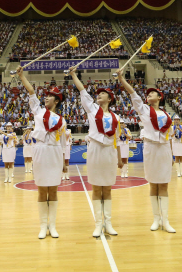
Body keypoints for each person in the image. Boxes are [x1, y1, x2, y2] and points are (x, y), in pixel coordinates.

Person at [117, 70, 175, 233]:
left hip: (163, 148)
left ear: (159, 97)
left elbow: (169, 135)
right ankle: (156, 218)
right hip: (150, 147)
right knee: (153, 183)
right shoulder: (143, 110)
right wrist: (122, 79)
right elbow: (133, 93)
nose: (148, 96)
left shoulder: (166, 115)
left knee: (164, 183)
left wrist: (171, 154)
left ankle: (166, 220)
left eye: (152, 94)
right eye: (147, 95)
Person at [69, 67, 123, 237]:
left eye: (103, 94)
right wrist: (73, 74)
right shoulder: (92, 109)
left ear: (110, 98)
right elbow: (82, 90)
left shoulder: (116, 117)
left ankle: (108, 223)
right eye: (98, 94)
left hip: (109, 152)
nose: (98, 95)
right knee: (96, 189)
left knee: (107, 189)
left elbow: (117, 139)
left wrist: (120, 158)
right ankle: (98, 224)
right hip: (94, 150)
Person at [16, 66, 67, 239]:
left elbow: (62, 142)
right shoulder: (38, 111)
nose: (47, 98)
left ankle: (52, 226)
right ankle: (42, 226)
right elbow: (31, 92)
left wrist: (64, 162)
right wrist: (22, 76)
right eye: (46, 95)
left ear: (57, 101)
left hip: (54, 152)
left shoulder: (62, 120)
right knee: (41, 191)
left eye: (50, 96)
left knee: (53, 190)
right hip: (39, 149)